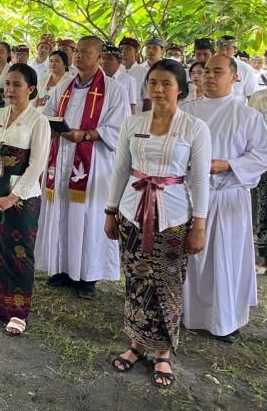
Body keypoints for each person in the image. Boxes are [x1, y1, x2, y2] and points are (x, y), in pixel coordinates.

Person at [105, 59, 211, 389]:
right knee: (136, 282)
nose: (159, 89)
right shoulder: (132, 122)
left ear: (181, 88)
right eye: (153, 82)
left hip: (174, 218)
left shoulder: (195, 128)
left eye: (166, 83)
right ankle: (136, 343)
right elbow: (121, 169)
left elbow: (200, 181)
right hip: (131, 213)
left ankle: (163, 351)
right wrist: (110, 212)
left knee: (167, 285)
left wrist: (199, 225)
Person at [182, 55, 267, 342]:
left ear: (235, 77)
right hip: (190, 196)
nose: (209, 76)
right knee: (190, 260)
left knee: (224, 260)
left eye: (217, 71)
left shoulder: (248, 117)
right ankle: (185, 312)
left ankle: (224, 320)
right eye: (205, 71)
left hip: (227, 196)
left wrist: (228, 165)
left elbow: (261, 156)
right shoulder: (185, 111)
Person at [36, 36, 129, 299]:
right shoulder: (64, 84)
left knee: (88, 216)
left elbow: (118, 128)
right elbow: (48, 112)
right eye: (76, 51)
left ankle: (88, 276)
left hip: (93, 162)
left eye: (85, 52)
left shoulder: (113, 89)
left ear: (99, 57)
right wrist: (53, 126)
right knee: (60, 211)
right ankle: (61, 268)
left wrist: (85, 136)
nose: (78, 56)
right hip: (62, 155)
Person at [0, 64, 50, 336]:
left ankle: (18, 311)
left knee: (19, 251)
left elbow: (37, 164)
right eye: (7, 84)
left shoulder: (38, 121)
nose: (10, 90)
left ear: (30, 89)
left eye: (17, 85)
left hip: (22, 198)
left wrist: (13, 197)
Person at [248, 87, 267, 273]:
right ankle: (264, 258)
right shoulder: (259, 97)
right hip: (265, 161)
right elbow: (254, 135)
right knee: (264, 208)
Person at [217, 35, 258, 103]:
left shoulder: (245, 69)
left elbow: (252, 96)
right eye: (221, 48)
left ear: (235, 51)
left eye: (227, 49)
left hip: (237, 111)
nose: (223, 52)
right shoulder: (208, 66)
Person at [101, 43, 138, 115]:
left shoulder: (129, 80)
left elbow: (132, 105)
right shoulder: (98, 79)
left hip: (121, 122)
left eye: (110, 59)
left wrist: (130, 125)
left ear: (119, 61)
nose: (105, 62)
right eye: (103, 58)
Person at [139, 37, 165, 112]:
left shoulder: (168, 68)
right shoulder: (139, 69)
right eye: (148, 48)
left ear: (162, 51)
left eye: (154, 48)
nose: (150, 51)